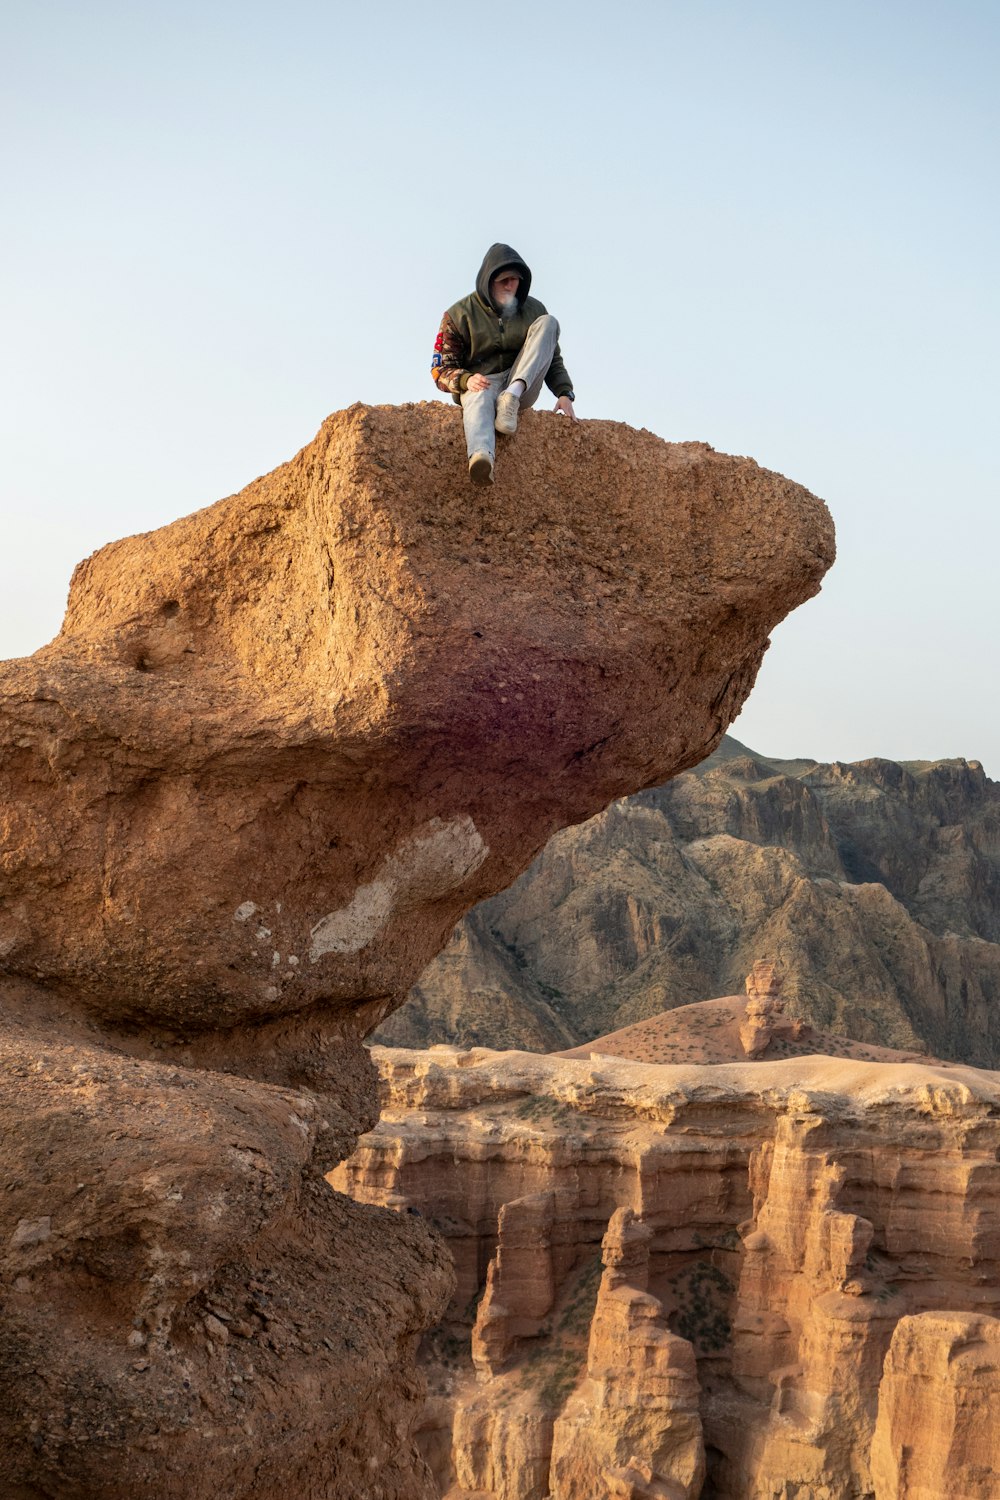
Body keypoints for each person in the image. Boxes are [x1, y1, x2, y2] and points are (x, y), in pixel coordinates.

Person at [431, 242, 577, 485]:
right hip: (482, 382)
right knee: (476, 396)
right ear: (489, 281)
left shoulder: (533, 309)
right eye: (504, 280)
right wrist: (466, 379)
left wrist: (564, 392)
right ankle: (481, 458)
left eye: (515, 280)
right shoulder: (458, 315)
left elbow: (549, 356)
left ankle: (510, 396)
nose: (510, 286)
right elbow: (440, 370)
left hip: (520, 384)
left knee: (549, 323)